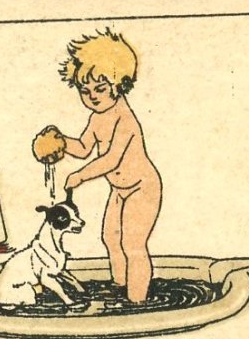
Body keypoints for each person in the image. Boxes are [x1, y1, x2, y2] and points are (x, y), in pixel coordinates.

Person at [34, 28, 160, 305]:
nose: (92, 96)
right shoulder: (97, 117)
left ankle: (137, 300)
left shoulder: (125, 119)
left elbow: (111, 160)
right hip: (119, 190)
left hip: (142, 188)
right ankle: (120, 286)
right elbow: (83, 147)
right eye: (85, 90)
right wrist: (60, 142)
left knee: (133, 244)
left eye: (100, 89)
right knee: (110, 238)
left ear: (120, 83)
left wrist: (80, 176)